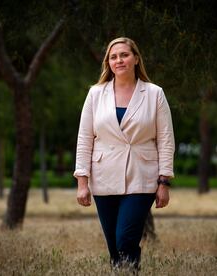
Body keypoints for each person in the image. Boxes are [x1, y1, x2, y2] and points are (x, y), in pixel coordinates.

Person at [73, 37, 175, 271]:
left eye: (124, 55)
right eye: (113, 56)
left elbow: (166, 140)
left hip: (142, 177)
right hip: (104, 177)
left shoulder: (154, 93)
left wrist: (164, 182)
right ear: (108, 62)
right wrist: (82, 181)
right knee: (114, 247)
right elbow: (84, 139)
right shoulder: (95, 94)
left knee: (125, 240)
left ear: (136, 59)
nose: (119, 60)